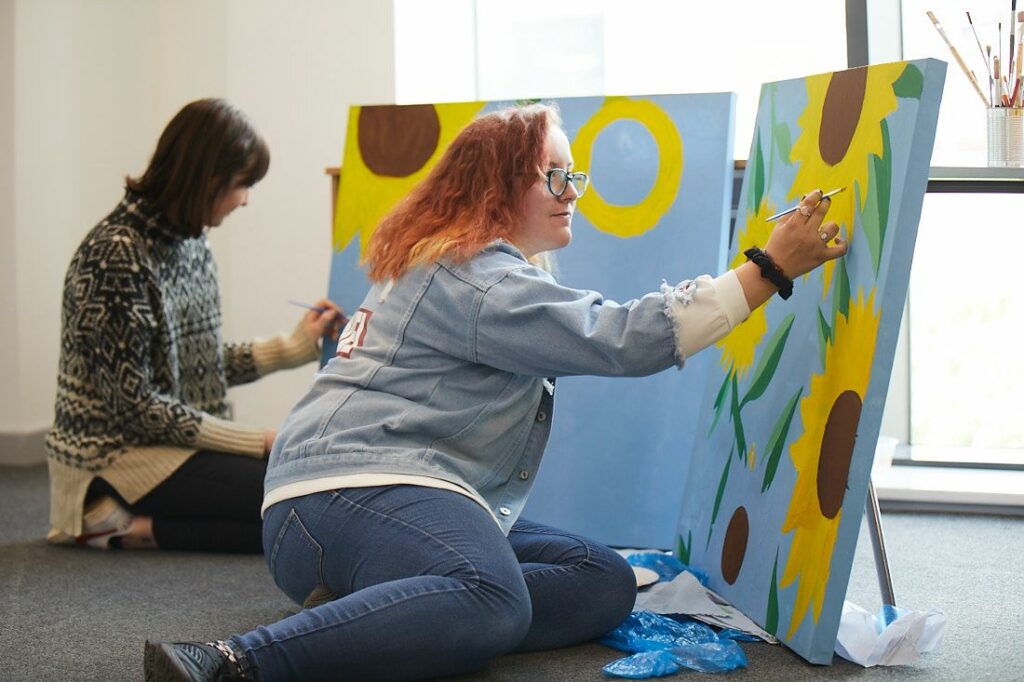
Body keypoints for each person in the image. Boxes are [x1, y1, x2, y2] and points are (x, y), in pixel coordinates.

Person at [144, 103, 845, 680]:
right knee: (493, 597)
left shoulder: (482, 268)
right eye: (555, 177)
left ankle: (385, 613)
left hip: (354, 504)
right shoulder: (478, 279)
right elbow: (622, 338)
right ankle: (230, 662)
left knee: (599, 579)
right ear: (499, 188)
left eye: (575, 176)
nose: (572, 192)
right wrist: (768, 267)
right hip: (347, 495)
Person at [45, 98, 345, 554]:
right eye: (241, 185)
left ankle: (142, 528)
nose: (244, 200)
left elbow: (192, 364)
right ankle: (107, 515)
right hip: (115, 458)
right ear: (207, 178)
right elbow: (137, 408)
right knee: (301, 498)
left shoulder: (190, 243)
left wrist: (294, 345)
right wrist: (257, 440)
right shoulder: (115, 256)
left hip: (171, 447)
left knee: (307, 502)